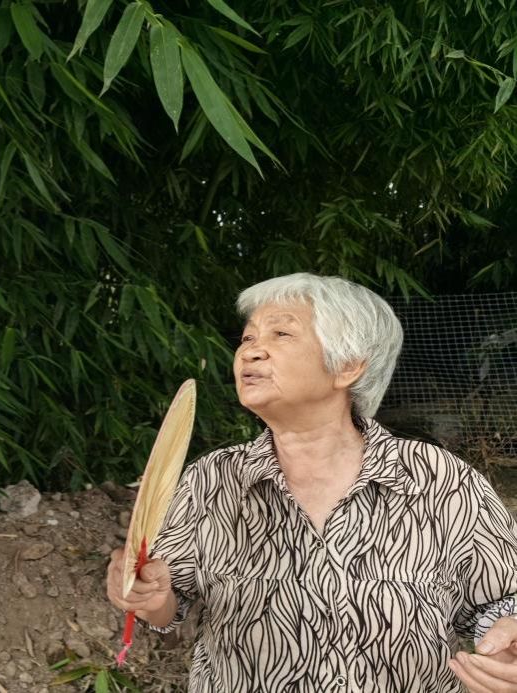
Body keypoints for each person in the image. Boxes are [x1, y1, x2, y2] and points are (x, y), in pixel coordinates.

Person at [107, 272, 517, 692]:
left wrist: (510, 641)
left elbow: (504, 601)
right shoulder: (212, 480)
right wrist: (149, 596)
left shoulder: (441, 481)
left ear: (348, 365)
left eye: (281, 333)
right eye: (248, 338)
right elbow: (167, 603)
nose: (250, 351)